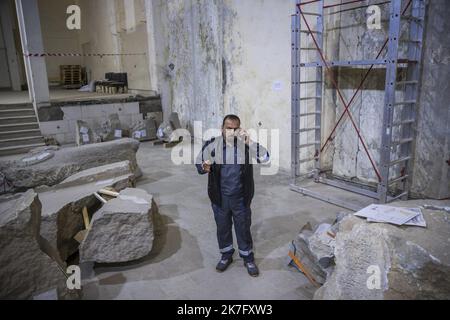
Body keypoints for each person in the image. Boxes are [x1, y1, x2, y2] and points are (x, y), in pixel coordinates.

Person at [195, 115, 270, 277]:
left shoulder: (245, 145)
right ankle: (226, 255)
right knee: (223, 228)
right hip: (220, 197)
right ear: (222, 128)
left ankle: (248, 258)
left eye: (235, 128)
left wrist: (250, 142)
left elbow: (265, 158)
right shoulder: (212, 145)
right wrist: (203, 167)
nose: (232, 131)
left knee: (243, 228)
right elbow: (199, 163)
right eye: (228, 128)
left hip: (241, 198)